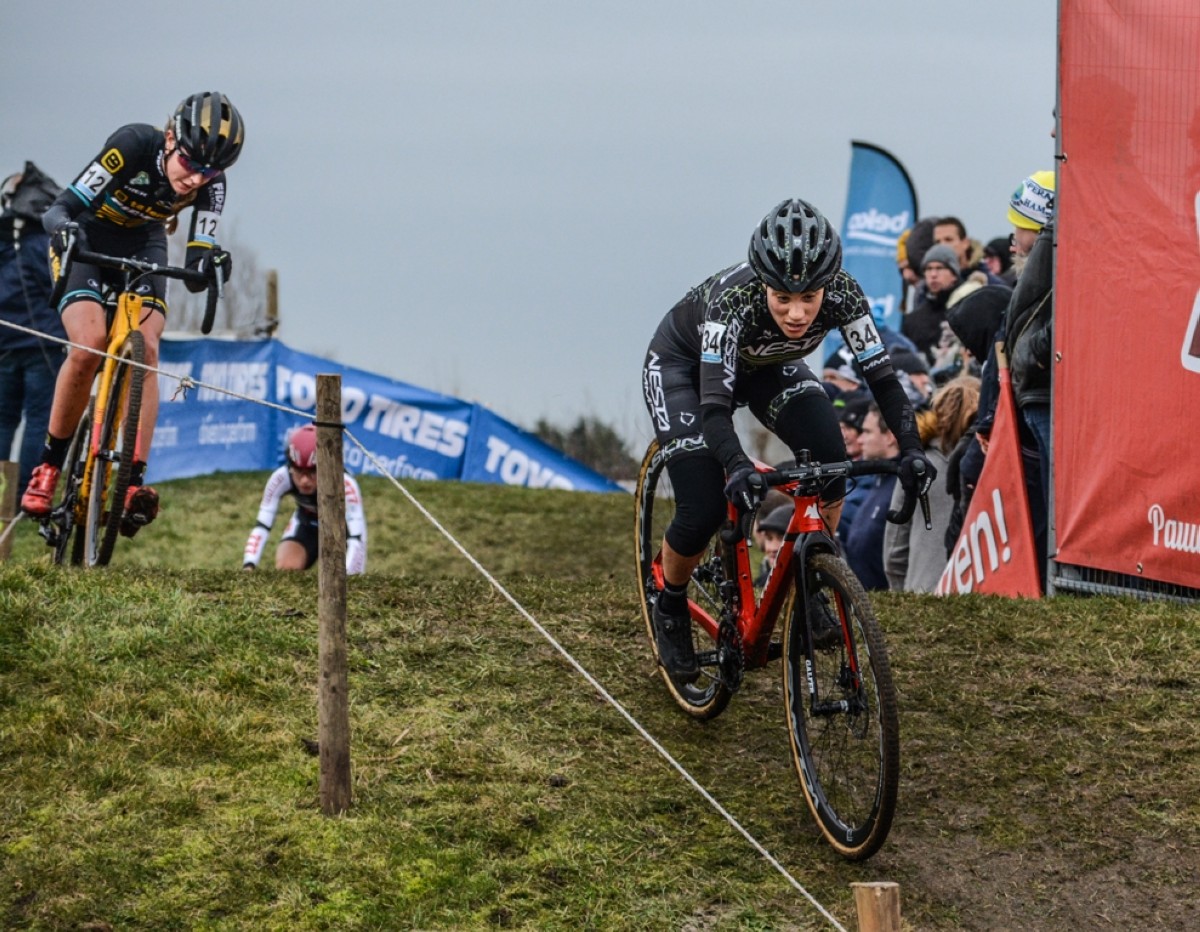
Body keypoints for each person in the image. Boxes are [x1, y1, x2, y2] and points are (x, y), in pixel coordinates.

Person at [641, 198, 934, 677]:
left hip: (766, 363)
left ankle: (813, 579)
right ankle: (670, 603)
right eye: (783, 299)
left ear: (827, 287)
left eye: (809, 298)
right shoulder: (733, 301)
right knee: (704, 504)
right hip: (687, 370)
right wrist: (736, 465)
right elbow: (715, 410)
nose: (797, 313)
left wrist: (913, 449)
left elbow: (883, 381)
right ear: (763, 286)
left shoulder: (844, 293)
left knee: (831, 462)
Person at [19, 92, 245, 537]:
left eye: (209, 171)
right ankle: (48, 467)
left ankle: (131, 484)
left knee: (147, 352)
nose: (196, 179)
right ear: (168, 140)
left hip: (144, 245)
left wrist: (211, 265)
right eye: (190, 163)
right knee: (88, 348)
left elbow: (197, 259)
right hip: (85, 239)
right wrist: (65, 229)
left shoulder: (212, 183)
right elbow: (59, 208)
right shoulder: (132, 145)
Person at [0, 163, 67, 491]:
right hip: (44, 345)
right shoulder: (45, 241)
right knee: (39, 422)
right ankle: (23, 496)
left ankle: (3, 499)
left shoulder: (3, 239)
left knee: (3, 423)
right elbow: (59, 287)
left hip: (6, 346)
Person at [883, 375, 980, 592]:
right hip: (980, 594)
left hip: (921, 592)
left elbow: (894, 550)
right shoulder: (991, 467)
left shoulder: (917, 466)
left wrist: (902, 594)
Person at [242, 424, 368, 575]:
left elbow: (357, 538)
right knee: (286, 570)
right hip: (309, 524)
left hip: (343, 530)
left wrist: (350, 578)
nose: (304, 481)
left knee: (344, 581)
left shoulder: (345, 484)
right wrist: (249, 565)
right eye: (299, 471)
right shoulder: (280, 477)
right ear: (290, 466)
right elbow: (262, 524)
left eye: (312, 472)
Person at [841, 404, 901, 591]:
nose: (860, 439)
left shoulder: (900, 487)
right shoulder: (879, 480)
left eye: (867, 432)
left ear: (890, 436)